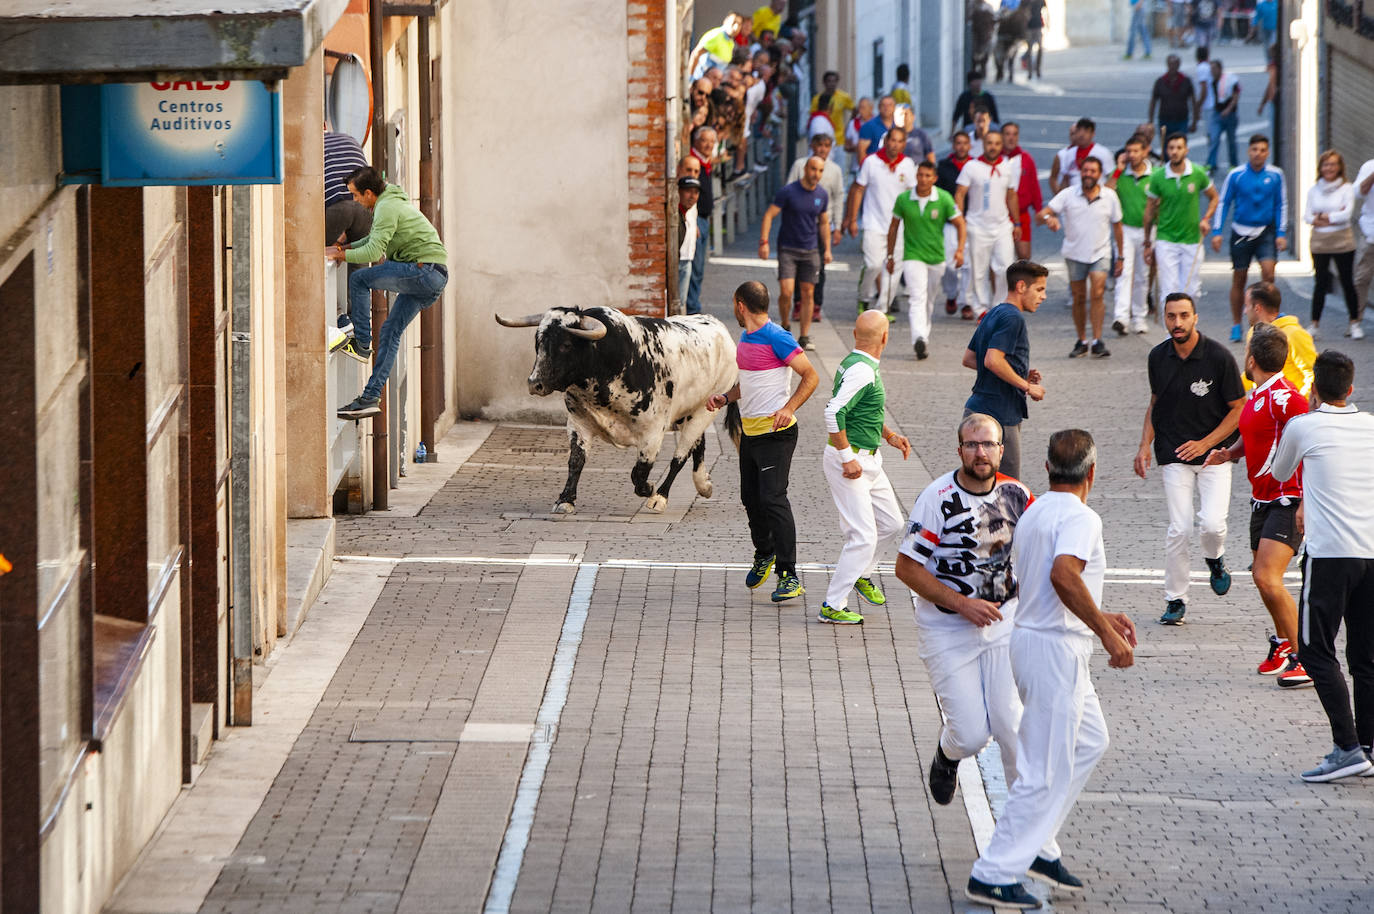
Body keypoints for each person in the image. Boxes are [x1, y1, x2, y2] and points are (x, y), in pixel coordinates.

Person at [965, 429, 1137, 911]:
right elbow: (1064, 575)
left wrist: (1101, 616)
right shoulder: (1082, 517)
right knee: (1042, 770)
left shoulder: (1036, 510)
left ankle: (1038, 845)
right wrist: (1106, 633)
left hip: (1037, 640)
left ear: (1047, 468)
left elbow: (1048, 581)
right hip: (1056, 652)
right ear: (1092, 472)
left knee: (1090, 740)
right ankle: (994, 873)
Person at [894, 413, 1037, 814]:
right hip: (946, 627)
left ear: (1001, 450)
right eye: (972, 445)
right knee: (972, 735)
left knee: (1012, 725)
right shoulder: (937, 498)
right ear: (960, 450)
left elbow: (1044, 548)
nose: (980, 453)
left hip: (1003, 623)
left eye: (988, 444)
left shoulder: (1018, 495)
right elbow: (906, 568)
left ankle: (1023, 823)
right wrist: (962, 604)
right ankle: (948, 754)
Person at [1271, 350, 1374, 781]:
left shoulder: (1304, 425)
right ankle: (1368, 747)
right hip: (1371, 552)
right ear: (1351, 388)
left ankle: (1347, 748)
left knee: (1314, 650)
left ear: (1314, 389)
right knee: (1366, 657)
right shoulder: (1370, 424)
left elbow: (1280, 472)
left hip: (1330, 555)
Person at [1203, 323, 1311, 687]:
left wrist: (1305, 501)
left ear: (1251, 360)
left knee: (1268, 577)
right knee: (1261, 579)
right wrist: (1229, 453)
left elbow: (1309, 445)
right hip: (1261, 500)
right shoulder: (1257, 395)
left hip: (1286, 499)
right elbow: (1255, 438)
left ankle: (1307, 658)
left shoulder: (1287, 398)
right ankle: (1283, 643)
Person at [1134, 292, 1245, 625]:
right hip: (1173, 453)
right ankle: (1175, 599)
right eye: (1171, 316)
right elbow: (1155, 403)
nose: (1177, 322)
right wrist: (1144, 446)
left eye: (1184, 315)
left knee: (1212, 524)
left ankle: (1215, 559)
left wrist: (1205, 444)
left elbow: (1238, 409)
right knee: (1179, 529)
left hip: (1215, 456)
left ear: (1195, 318)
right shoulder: (1158, 357)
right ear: (1164, 319)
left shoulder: (1219, 357)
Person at [706, 281, 820, 604]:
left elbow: (811, 376)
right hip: (750, 434)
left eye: (734, 304)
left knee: (773, 498)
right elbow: (751, 383)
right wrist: (726, 397)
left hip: (777, 435)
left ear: (740, 304)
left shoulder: (778, 337)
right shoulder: (745, 338)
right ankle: (764, 552)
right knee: (750, 499)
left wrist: (789, 408)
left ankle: (789, 575)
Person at [329, 166, 448, 419]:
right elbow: (372, 240)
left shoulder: (386, 207)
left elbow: (373, 253)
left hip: (423, 270)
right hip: (433, 275)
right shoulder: (388, 202)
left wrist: (339, 255)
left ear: (369, 193)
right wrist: (342, 248)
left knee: (359, 279)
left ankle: (362, 343)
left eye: (356, 195)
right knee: (390, 331)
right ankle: (370, 397)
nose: (354, 201)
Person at [818, 310, 913, 624]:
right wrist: (847, 458)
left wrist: (889, 435)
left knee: (892, 523)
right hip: (852, 461)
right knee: (863, 536)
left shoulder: (857, 363)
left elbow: (863, 410)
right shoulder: (862, 370)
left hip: (870, 459)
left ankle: (861, 573)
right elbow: (833, 412)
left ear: (855, 334)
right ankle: (833, 604)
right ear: (885, 337)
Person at [963, 260, 1049, 480]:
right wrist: (1027, 386)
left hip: (975, 411)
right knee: (1007, 486)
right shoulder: (1013, 318)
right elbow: (992, 360)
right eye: (1039, 289)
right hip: (1000, 415)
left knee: (978, 484)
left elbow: (971, 359)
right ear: (1021, 287)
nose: (1044, 296)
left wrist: (1016, 373)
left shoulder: (994, 313)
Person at [1040, 157, 1124, 359]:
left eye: (1093, 171)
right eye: (1085, 170)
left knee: (1097, 292)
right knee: (1079, 297)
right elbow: (1045, 212)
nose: (1088, 174)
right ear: (1080, 172)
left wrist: (1120, 256)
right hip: (1074, 253)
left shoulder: (1109, 196)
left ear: (1100, 174)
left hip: (1100, 253)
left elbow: (1117, 227)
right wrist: (1049, 219)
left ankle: (1097, 340)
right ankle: (1082, 340)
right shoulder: (1068, 194)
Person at [1211, 134, 1288, 342]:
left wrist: (1281, 233)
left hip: (1266, 231)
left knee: (1268, 274)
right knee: (1239, 277)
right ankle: (1237, 324)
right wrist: (1217, 232)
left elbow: (1281, 203)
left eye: (1262, 150)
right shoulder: (1236, 175)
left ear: (1267, 152)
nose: (1258, 154)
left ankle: (1269, 321)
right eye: (1254, 150)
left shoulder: (1276, 175)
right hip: (1241, 232)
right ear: (1248, 151)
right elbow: (1224, 202)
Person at [888, 160, 967, 359]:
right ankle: (918, 338)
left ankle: (924, 337)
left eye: (927, 176)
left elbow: (960, 224)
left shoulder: (944, 198)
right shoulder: (904, 199)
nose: (923, 179)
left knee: (929, 301)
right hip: (912, 256)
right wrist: (890, 256)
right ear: (916, 176)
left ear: (934, 178)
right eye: (920, 175)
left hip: (936, 258)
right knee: (917, 297)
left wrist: (959, 250)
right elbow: (893, 227)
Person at [760, 156, 832, 351]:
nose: (816, 174)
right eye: (813, 169)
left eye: (820, 171)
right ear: (805, 169)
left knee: (808, 293)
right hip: (788, 248)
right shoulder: (788, 192)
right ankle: (785, 326)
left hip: (811, 250)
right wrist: (764, 242)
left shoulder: (822, 194)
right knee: (787, 292)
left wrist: (827, 249)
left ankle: (804, 336)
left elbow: (824, 222)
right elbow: (769, 215)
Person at [845, 126, 917, 317]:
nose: (895, 145)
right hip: (873, 222)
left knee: (894, 268)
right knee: (873, 265)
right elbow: (858, 189)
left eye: (900, 141)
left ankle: (882, 309)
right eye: (892, 140)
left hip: (898, 226)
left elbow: (912, 196)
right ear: (886, 141)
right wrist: (852, 219)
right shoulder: (871, 162)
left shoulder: (908, 165)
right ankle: (864, 297)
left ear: (904, 144)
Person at [1143, 132, 1219, 302]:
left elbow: (1214, 197)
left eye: (1179, 148)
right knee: (1169, 290)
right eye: (1171, 148)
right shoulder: (1157, 177)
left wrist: (1206, 219)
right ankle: (1169, 321)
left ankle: (1188, 320)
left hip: (1192, 239)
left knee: (1191, 291)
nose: (1174, 152)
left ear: (1186, 150)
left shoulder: (1197, 173)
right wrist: (1148, 242)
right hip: (1166, 239)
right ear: (1166, 150)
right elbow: (1149, 211)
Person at [955, 128, 1021, 321]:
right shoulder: (971, 167)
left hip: (1002, 226)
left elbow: (1012, 195)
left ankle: (999, 306)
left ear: (1002, 146)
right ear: (983, 144)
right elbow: (960, 193)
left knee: (1005, 268)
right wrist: (960, 219)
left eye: (997, 143)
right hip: (977, 226)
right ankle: (981, 308)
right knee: (979, 270)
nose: (993, 147)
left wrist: (1017, 222)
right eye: (989, 143)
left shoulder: (1007, 167)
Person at [787, 133, 845, 321]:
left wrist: (837, 226)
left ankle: (816, 304)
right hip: (799, 223)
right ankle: (799, 303)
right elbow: (788, 191)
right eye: (819, 145)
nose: (822, 149)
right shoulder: (800, 165)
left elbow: (838, 197)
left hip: (822, 224)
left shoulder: (834, 170)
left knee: (819, 266)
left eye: (826, 146)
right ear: (812, 146)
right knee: (797, 265)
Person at [1304, 150, 1361, 340]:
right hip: (1319, 241)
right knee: (1320, 282)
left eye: (1333, 164)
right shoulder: (1314, 190)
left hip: (1342, 240)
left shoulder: (1346, 188)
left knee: (1347, 281)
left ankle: (1354, 323)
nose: (1329, 168)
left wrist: (1322, 216)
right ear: (1321, 167)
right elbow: (1308, 216)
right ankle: (1314, 324)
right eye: (1326, 164)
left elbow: (1346, 215)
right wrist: (1331, 216)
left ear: (1340, 167)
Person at [1108, 134, 1156, 335]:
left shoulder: (1156, 175)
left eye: (1136, 151)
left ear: (1145, 151)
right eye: (1129, 151)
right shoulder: (1120, 174)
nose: (1132, 155)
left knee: (1142, 276)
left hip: (1148, 230)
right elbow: (1106, 193)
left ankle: (1139, 317)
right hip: (1125, 230)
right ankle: (1121, 317)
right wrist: (1118, 170)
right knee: (1123, 272)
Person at [1240, 281, 1315, 396]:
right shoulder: (1253, 332)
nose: (1245, 312)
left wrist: (1297, 403)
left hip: (1291, 404)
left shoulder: (1295, 334)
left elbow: (1313, 375)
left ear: (1257, 308)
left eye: (1246, 306)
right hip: (1265, 402)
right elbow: (1251, 371)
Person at [939, 132, 975, 317]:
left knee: (969, 264)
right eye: (958, 143)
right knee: (949, 264)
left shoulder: (976, 166)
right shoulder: (944, 166)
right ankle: (951, 294)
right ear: (953, 145)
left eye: (965, 143)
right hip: (949, 222)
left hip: (972, 220)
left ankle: (966, 302)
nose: (961, 147)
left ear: (970, 145)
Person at [685, 125, 718, 316]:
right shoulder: (694, 163)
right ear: (696, 141)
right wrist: (694, 221)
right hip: (697, 220)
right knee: (695, 267)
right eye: (704, 140)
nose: (708, 145)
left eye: (712, 142)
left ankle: (694, 304)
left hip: (705, 219)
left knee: (699, 268)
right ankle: (692, 309)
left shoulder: (706, 163)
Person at [324, 126, 371, 250]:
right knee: (360, 256)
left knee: (317, 254)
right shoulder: (350, 139)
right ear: (325, 125)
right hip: (364, 207)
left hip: (335, 206)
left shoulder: (310, 145)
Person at [1001, 122, 1043, 261]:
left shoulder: (1026, 159)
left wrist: (1038, 209)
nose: (1011, 138)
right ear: (1002, 136)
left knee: (1024, 256)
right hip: (1000, 215)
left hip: (1022, 214)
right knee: (999, 258)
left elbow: (1034, 185)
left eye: (1014, 134)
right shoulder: (996, 159)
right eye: (1007, 134)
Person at [1048, 118, 1115, 195]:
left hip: (1096, 196)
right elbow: (1063, 179)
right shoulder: (1068, 154)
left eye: (1086, 131)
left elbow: (1112, 177)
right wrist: (1060, 196)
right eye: (1079, 130)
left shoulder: (1103, 153)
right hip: (1074, 197)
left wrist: (1106, 196)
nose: (1082, 134)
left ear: (1093, 134)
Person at [1204, 59, 1241, 175]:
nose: (1212, 71)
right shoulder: (1212, 81)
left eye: (1214, 69)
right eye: (1211, 69)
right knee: (1214, 138)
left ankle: (1233, 164)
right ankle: (1211, 164)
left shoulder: (1230, 80)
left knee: (1231, 141)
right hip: (1217, 113)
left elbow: (1236, 96)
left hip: (1230, 114)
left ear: (1220, 69)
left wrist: (1228, 109)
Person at [1149, 55, 1199, 140]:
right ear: (1167, 64)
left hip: (1181, 120)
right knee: (1165, 145)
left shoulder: (1186, 81)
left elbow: (1193, 101)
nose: (1172, 67)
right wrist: (1151, 122)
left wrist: (1194, 121)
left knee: (1179, 144)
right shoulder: (1160, 82)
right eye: (1170, 64)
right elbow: (1153, 102)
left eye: (1175, 64)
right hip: (1164, 120)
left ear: (1179, 65)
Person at [688, 12, 744, 79]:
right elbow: (695, 54)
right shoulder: (716, 35)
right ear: (726, 21)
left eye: (739, 24)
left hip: (713, 82)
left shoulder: (731, 42)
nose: (736, 27)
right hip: (701, 80)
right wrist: (690, 78)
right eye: (734, 22)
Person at [1354, 157, 1374, 323]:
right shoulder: (1369, 166)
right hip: (1369, 231)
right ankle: (1356, 320)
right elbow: (1358, 192)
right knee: (1362, 278)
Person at [952, 71, 1000, 136]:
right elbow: (956, 115)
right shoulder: (964, 97)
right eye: (975, 81)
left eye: (979, 81)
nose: (978, 83)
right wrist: (952, 132)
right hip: (970, 126)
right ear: (970, 83)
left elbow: (995, 115)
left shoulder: (988, 96)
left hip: (987, 126)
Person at [810, 70, 855, 136]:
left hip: (839, 137)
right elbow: (813, 116)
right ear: (824, 82)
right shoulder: (817, 99)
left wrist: (848, 127)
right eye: (829, 81)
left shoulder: (844, 97)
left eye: (834, 81)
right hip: (823, 135)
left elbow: (855, 110)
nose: (832, 84)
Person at [677, 175, 700, 298]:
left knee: (681, 300)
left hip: (688, 259)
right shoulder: (674, 212)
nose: (692, 196)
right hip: (676, 261)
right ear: (679, 192)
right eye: (688, 191)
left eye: (696, 192)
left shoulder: (692, 208)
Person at [856, 94, 898, 162]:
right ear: (879, 107)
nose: (886, 108)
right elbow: (861, 151)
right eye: (883, 105)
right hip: (874, 166)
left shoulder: (898, 126)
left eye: (890, 105)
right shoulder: (868, 126)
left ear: (894, 107)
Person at [844, 96, 873, 175]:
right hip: (856, 168)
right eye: (859, 107)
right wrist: (858, 148)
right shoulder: (852, 123)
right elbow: (846, 146)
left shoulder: (877, 123)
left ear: (871, 108)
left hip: (874, 168)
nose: (860, 111)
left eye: (863, 108)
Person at [1022, 0, 1047, 78]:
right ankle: (1029, 72)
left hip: (1038, 26)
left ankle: (1038, 69)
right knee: (1029, 50)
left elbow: (1045, 11)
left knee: (1040, 48)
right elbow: (1022, 11)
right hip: (1029, 27)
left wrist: (1047, 23)